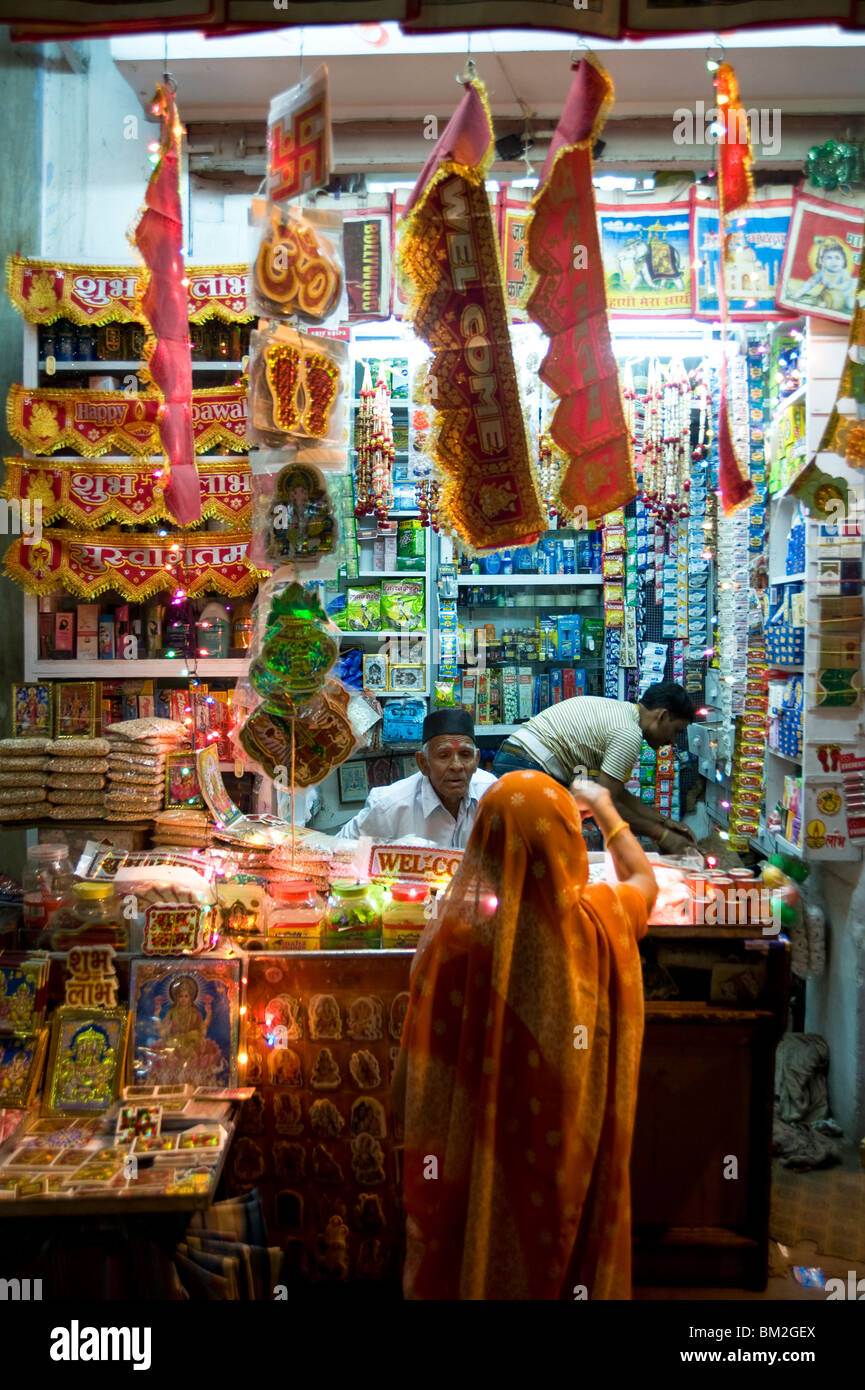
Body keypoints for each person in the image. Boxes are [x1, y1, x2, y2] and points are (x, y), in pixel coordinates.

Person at [392, 772, 656, 1300]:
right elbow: (645, 884)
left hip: (467, 1165)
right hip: (556, 1150)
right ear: (564, 841)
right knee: (555, 1239)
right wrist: (605, 809)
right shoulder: (595, 923)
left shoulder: (453, 939)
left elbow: (414, 1078)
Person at [492, 682, 698, 855]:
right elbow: (608, 805)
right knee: (539, 857)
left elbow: (616, 795)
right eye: (676, 731)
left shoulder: (623, 713)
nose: (672, 741)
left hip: (515, 758)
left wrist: (663, 821)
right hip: (529, 765)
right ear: (662, 716)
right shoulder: (628, 733)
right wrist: (662, 836)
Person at [335, 708, 496, 849]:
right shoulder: (389, 805)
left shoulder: (494, 796)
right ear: (423, 763)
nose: (457, 765)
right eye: (444, 755)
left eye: (465, 754)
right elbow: (339, 849)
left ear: (476, 760)